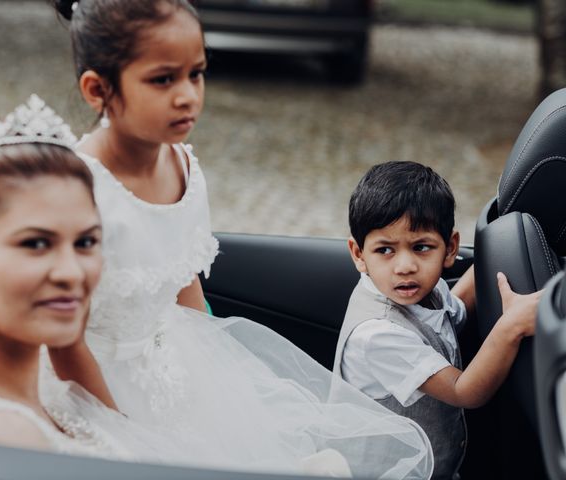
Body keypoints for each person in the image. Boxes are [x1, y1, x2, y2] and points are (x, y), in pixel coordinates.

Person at [48, 1, 435, 478]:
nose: (188, 95)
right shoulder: (77, 190)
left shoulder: (184, 168)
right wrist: (121, 434)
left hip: (171, 368)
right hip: (92, 386)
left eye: (197, 74)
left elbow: (184, 280)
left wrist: (213, 381)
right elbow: (63, 340)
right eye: (163, 80)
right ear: (98, 89)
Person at [0, 96, 173, 461]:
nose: (71, 273)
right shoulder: (2, 435)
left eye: (86, 242)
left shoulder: (55, 393)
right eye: (36, 243)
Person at [334, 161, 541, 479]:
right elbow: (465, 392)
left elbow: (453, 312)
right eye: (385, 250)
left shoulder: (425, 292)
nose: (405, 266)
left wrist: (495, 253)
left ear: (450, 249)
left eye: (421, 247)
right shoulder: (377, 335)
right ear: (358, 254)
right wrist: (512, 325)